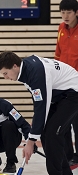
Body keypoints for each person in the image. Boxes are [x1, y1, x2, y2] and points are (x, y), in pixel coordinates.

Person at [0, 51, 78, 175]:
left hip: (73, 93)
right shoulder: (26, 71)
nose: (5, 77)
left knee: (52, 134)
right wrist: (34, 133)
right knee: (46, 132)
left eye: (5, 73)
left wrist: (30, 141)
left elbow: (41, 108)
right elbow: (38, 104)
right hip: (60, 95)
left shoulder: (35, 74)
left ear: (15, 66)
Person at [55, 0, 78, 166]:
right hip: (64, 82)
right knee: (65, 120)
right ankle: (69, 155)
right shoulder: (61, 29)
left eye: (68, 12)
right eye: (63, 12)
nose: (65, 16)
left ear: (76, 12)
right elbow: (58, 53)